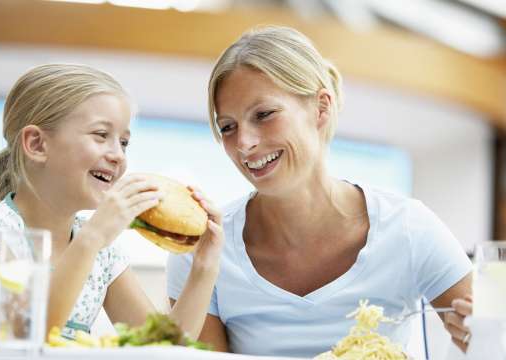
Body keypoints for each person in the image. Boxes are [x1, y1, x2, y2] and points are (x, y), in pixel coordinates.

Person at [167, 26, 472, 358]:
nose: (244, 143)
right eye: (228, 127)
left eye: (264, 115)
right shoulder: (204, 248)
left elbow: (489, 332)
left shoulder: (409, 227)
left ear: (321, 108)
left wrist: (481, 336)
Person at [0, 64, 223, 352]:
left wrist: (204, 267)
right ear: (37, 144)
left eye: (124, 142)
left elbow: (161, 349)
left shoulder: (103, 255)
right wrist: (92, 238)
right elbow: (22, 338)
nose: (118, 155)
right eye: (100, 135)